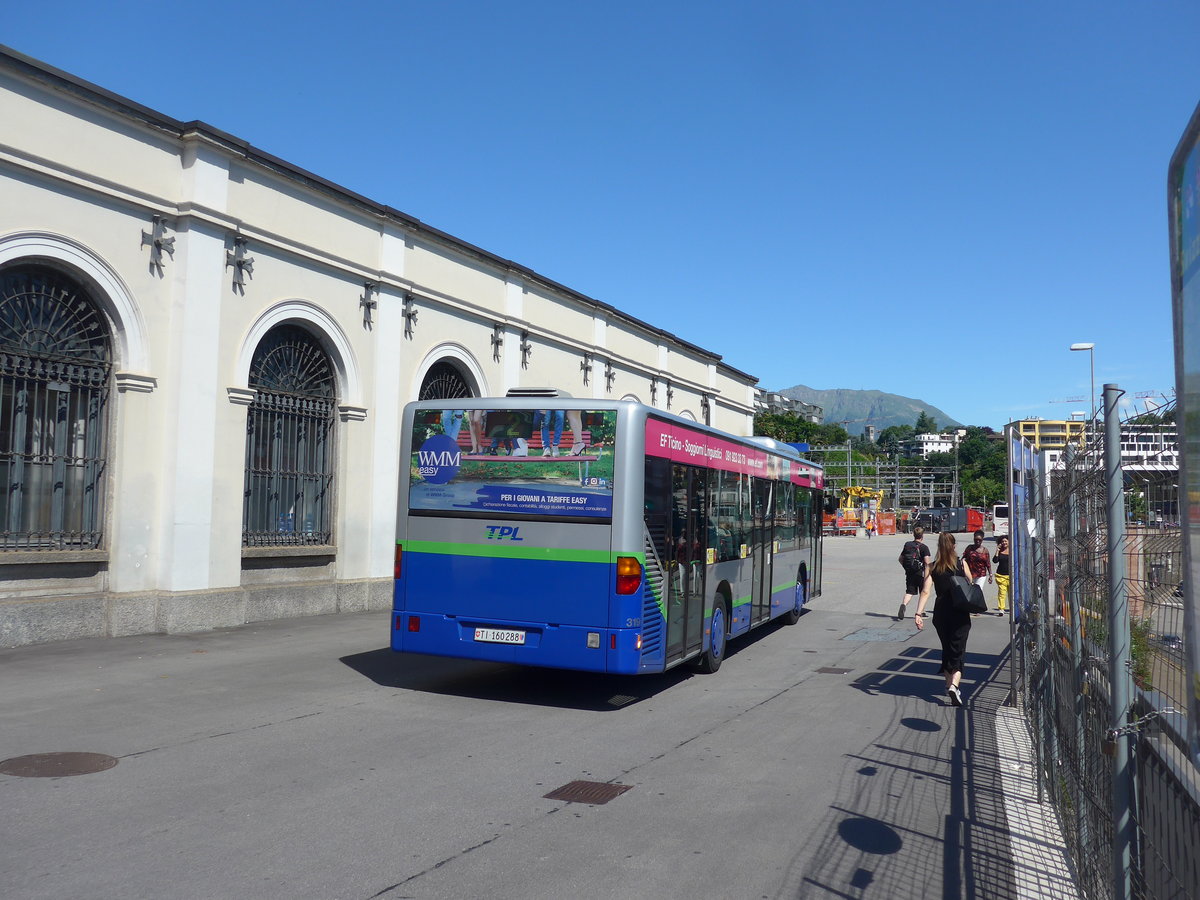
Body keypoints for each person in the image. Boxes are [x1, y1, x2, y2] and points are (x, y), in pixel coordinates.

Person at [914, 532, 973, 707]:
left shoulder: (932, 566)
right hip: (959, 612)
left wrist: (918, 613)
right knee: (958, 650)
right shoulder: (962, 564)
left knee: (947, 648)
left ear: (938, 547)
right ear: (954, 546)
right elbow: (970, 583)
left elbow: (925, 591)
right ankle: (954, 685)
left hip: (941, 612)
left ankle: (948, 685)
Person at [896, 526, 931, 620]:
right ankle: (921, 612)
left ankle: (903, 605)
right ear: (922, 536)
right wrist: (929, 574)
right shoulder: (924, 548)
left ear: (913, 535)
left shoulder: (907, 545)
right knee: (923, 592)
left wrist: (906, 568)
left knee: (909, 592)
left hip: (910, 573)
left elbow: (900, 559)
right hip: (921, 573)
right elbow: (927, 562)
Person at [993, 535, 1010, 616]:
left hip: (1011, 576)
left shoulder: (1012, 551)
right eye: (1002, 541)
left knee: (1011, 594)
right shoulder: (1000, 551)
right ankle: (1001, 609)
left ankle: (1012, 608)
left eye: (1005, 541)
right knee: (1002, 593)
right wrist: (997, 550)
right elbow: (995, 561)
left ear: (1009, 541)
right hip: (1001, 576)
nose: (1004, 543)